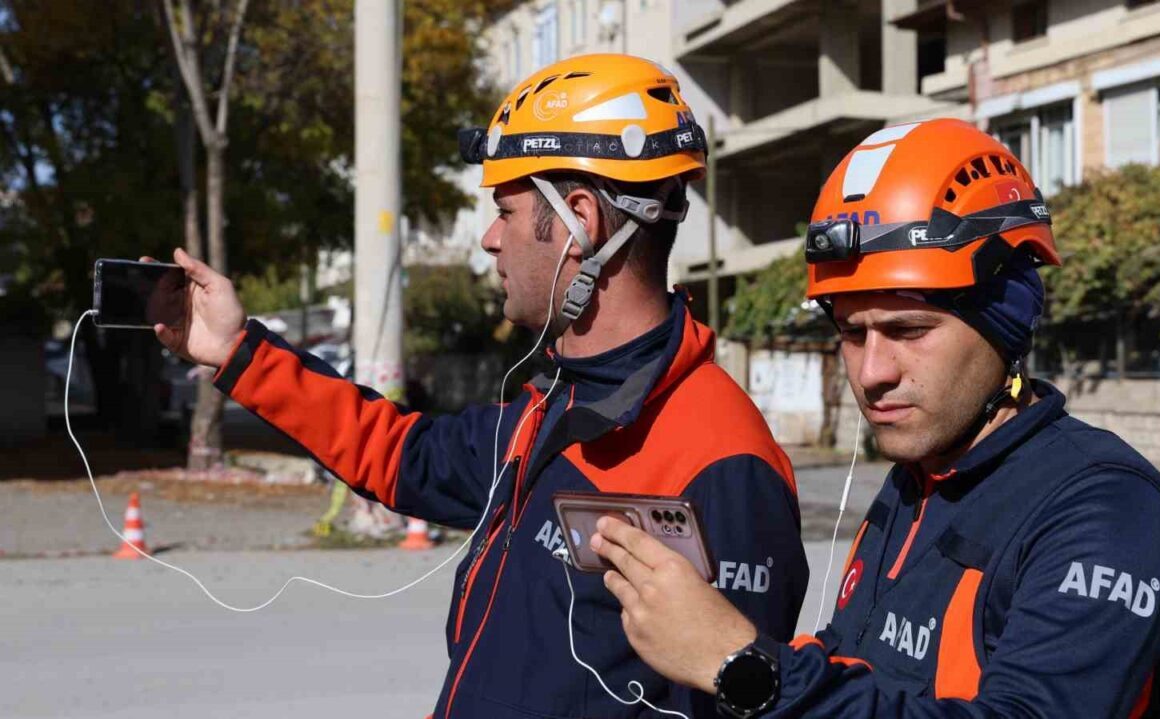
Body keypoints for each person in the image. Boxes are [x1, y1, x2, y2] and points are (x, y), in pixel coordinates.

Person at [149, 54, 809, 719]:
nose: (491, 240)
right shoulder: (554, 402)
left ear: (581, 221)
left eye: (507, 212)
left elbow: (742, 699)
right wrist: (236, 351)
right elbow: (402, 453)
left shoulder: (724, 460)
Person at [590, 118, 1160, 718]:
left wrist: (743, 667)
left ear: (1006, 320)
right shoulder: (919, 477)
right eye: (852, 334)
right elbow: (855, 664)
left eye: (908, 330)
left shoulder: (1106, 510)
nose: (872, 371)